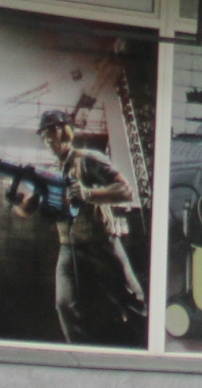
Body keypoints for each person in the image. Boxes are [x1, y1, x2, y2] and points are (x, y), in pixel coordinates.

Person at [34, 104, 144, 342]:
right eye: (44, 136)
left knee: (132, 301)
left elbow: (126, 191)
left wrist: (88, 194)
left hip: (100, 243)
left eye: (52, 132)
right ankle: (78, 351)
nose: (48, 140)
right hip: (69, 247)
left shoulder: (88, 159)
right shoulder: (52, 172)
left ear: (66, 132)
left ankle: (147, 343)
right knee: (64, 305)